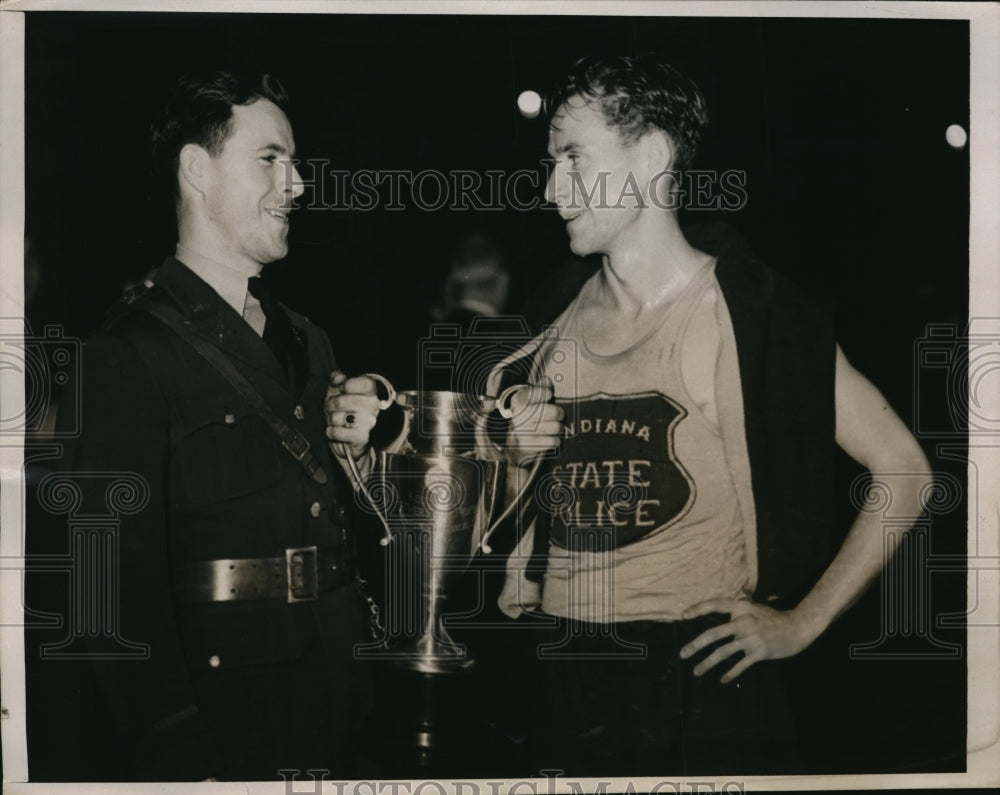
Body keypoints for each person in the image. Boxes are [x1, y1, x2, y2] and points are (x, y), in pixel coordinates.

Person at [492, 54, 933, 775]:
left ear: (654, 155)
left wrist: (804, 622)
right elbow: (508, 514)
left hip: (697, 677)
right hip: (562, 668)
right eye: (550, 162)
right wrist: (514, 460)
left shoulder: (756, 316)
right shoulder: (546, 323)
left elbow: (905, 471)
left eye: (574, 158)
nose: (551, 188)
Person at [42, 72, 382, 781]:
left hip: (340, 703)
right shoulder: (126, 354)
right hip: (227, 727)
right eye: (270, 158)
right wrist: (176, 751)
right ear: (197, 168)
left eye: (295, 163)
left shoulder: (308, 340)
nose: (296, 184)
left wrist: (375, 448)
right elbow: (107, 588)